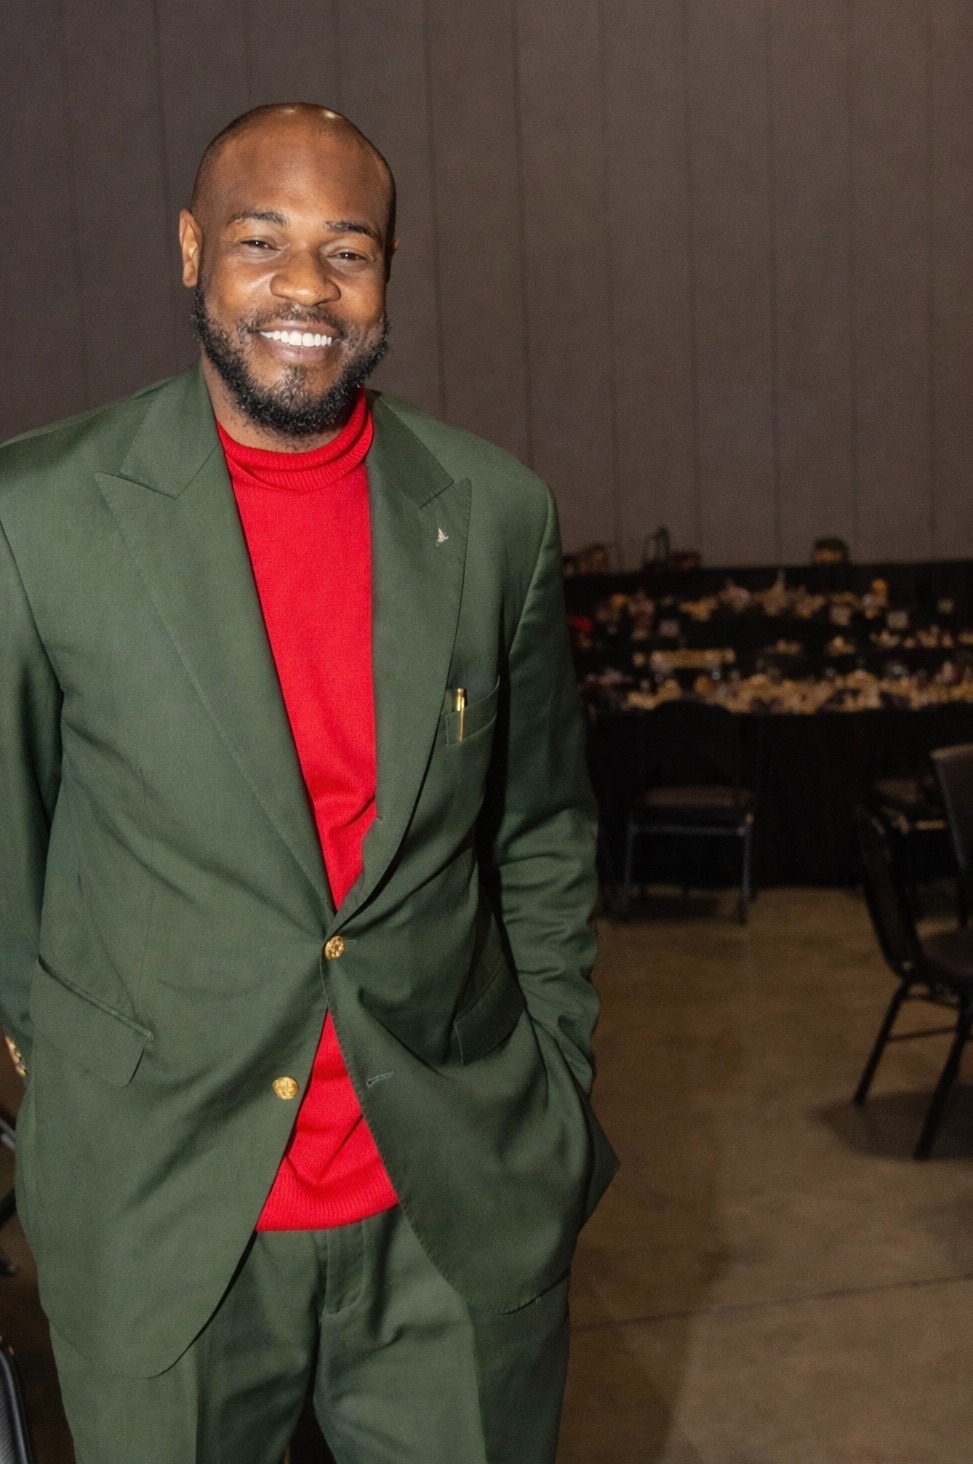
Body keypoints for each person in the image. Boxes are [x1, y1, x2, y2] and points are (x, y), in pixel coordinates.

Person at [0, 104, 616, 1463]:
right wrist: (66, 1105)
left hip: (449, 1208)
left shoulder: (493, 511)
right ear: (188, 252)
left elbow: (541, 832)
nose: (302, 288)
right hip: (164, 1226)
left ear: (388, 270)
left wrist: (554, 1087)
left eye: (346, 251)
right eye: (258, 242)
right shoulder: (37, 516)